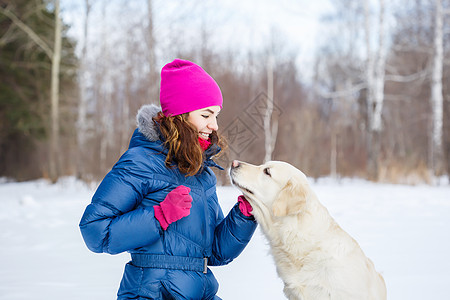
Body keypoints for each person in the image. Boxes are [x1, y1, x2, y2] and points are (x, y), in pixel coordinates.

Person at [79, 59, 257, 300]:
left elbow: (215, 252)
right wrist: (158, 216)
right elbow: (95, 231)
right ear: (181, 115)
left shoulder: (201, 173)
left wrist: (243, 216)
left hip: (200, 292)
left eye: (216, 115)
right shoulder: (140, 162)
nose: (214, 125)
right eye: (206, 114)